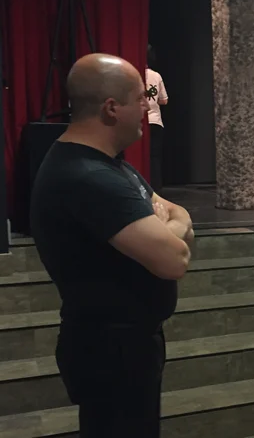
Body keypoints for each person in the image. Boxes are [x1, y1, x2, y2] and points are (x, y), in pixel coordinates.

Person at [30, 53, 194, 437]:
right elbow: (175, 258)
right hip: (111, 351)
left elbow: (176, 211)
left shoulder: (109, 165)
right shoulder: (90, 177)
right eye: (140, 98)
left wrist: (170, 222)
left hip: (124, 345)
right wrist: (170, 227)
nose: (147, 107)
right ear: (111, 108)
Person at [146, 44, 169, 193]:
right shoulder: (156, 75)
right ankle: (156, 189)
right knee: (154, 157)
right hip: (155, 121)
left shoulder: (133, 75)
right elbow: (164, 100)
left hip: (139, 122)